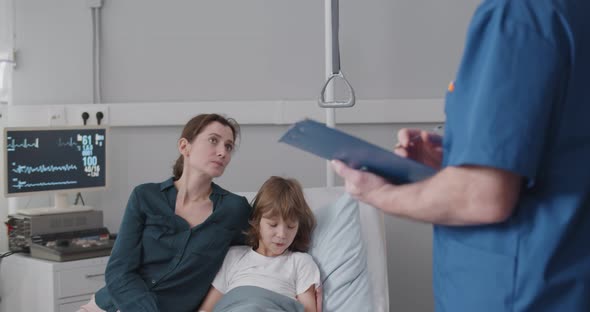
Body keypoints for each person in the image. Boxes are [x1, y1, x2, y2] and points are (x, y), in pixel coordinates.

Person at [331, 1, 590, 311]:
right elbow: (565, 147)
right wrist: (461, 155)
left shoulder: (518, 13)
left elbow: (483, 196)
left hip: (518, 293)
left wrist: (378, 193)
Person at [79, 114, 252, 312]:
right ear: (184, 146)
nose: (223, 152)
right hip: (111, 303)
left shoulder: (234, 209)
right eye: (214, 140)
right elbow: (119, 270)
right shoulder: (144, 196)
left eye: (229, 146)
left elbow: (263, 251)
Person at [198, 176, 320, 312]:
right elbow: (206, 309)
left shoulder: (300, 262)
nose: (282, 234)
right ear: (257, 222)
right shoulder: (233, 256)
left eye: (290, 226)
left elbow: (309, 309)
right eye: (273, 225)